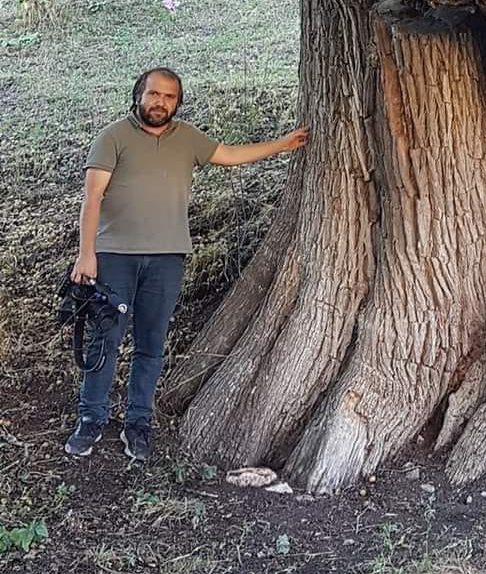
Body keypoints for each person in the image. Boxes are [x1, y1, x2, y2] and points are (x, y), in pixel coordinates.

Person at [64, 66, 309, 463]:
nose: (160, 102)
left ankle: (138, 422)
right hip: (114, 257)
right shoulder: (113, 137)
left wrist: (281, 145)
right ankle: (91, 418)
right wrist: (86, 253)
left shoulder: (188, 138)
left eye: (169, 96)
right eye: (154, 94)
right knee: (105, 340)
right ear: (139, 95)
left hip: (167, 258)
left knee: (151, 344)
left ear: (177, 102)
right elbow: (92, 198)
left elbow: (229, 155)